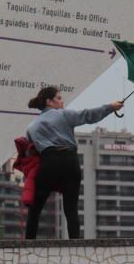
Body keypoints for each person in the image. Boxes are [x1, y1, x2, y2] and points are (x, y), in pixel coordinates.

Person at [24, 87, 124, 239]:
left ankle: (28, 243)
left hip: (48, 161)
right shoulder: (63, 115)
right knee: (71, 208)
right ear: (49, 102)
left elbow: (31, 151)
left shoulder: (31, 127)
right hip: (70, 160)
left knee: (36, 207)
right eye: (58, 98)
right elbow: (88, 115)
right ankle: (74, 244)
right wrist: (110, 107)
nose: (62, 101)